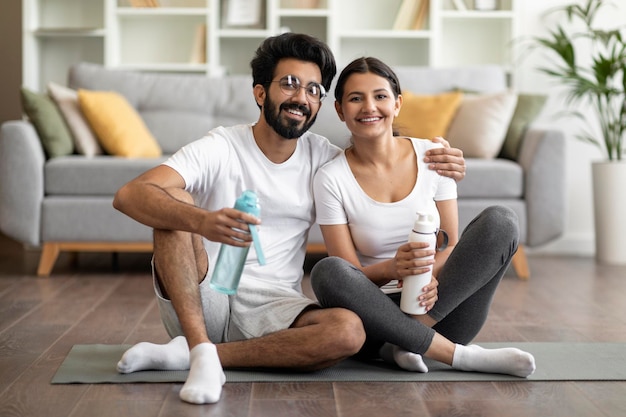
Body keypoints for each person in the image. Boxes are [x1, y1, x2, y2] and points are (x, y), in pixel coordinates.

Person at [112, 35, 468, 405]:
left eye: (313, 90)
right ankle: (199, 342)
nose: (301, 97)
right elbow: (129, 195)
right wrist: (202, 221)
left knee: (347, 332)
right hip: (206, 294)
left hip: (276, 304)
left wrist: (435, 157)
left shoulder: (323, 158)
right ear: (261, 93)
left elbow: (378, 161)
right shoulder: (220, 146)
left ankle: (197, 355)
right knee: (172, 201)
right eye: (289, 84)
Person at [310, 57, 536, 378]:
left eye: (380, 96)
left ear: (398, 103)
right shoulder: (330, 177)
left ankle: (408, 339)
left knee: (501, 220)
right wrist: (392, 268)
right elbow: (349, 270)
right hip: (374, 316)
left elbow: (451, 243)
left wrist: (428, 275)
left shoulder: (433, 156)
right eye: (356, 98)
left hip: (440, 307)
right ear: (340, 110)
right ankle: (456, 356)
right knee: (327, 271)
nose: (369, 106)